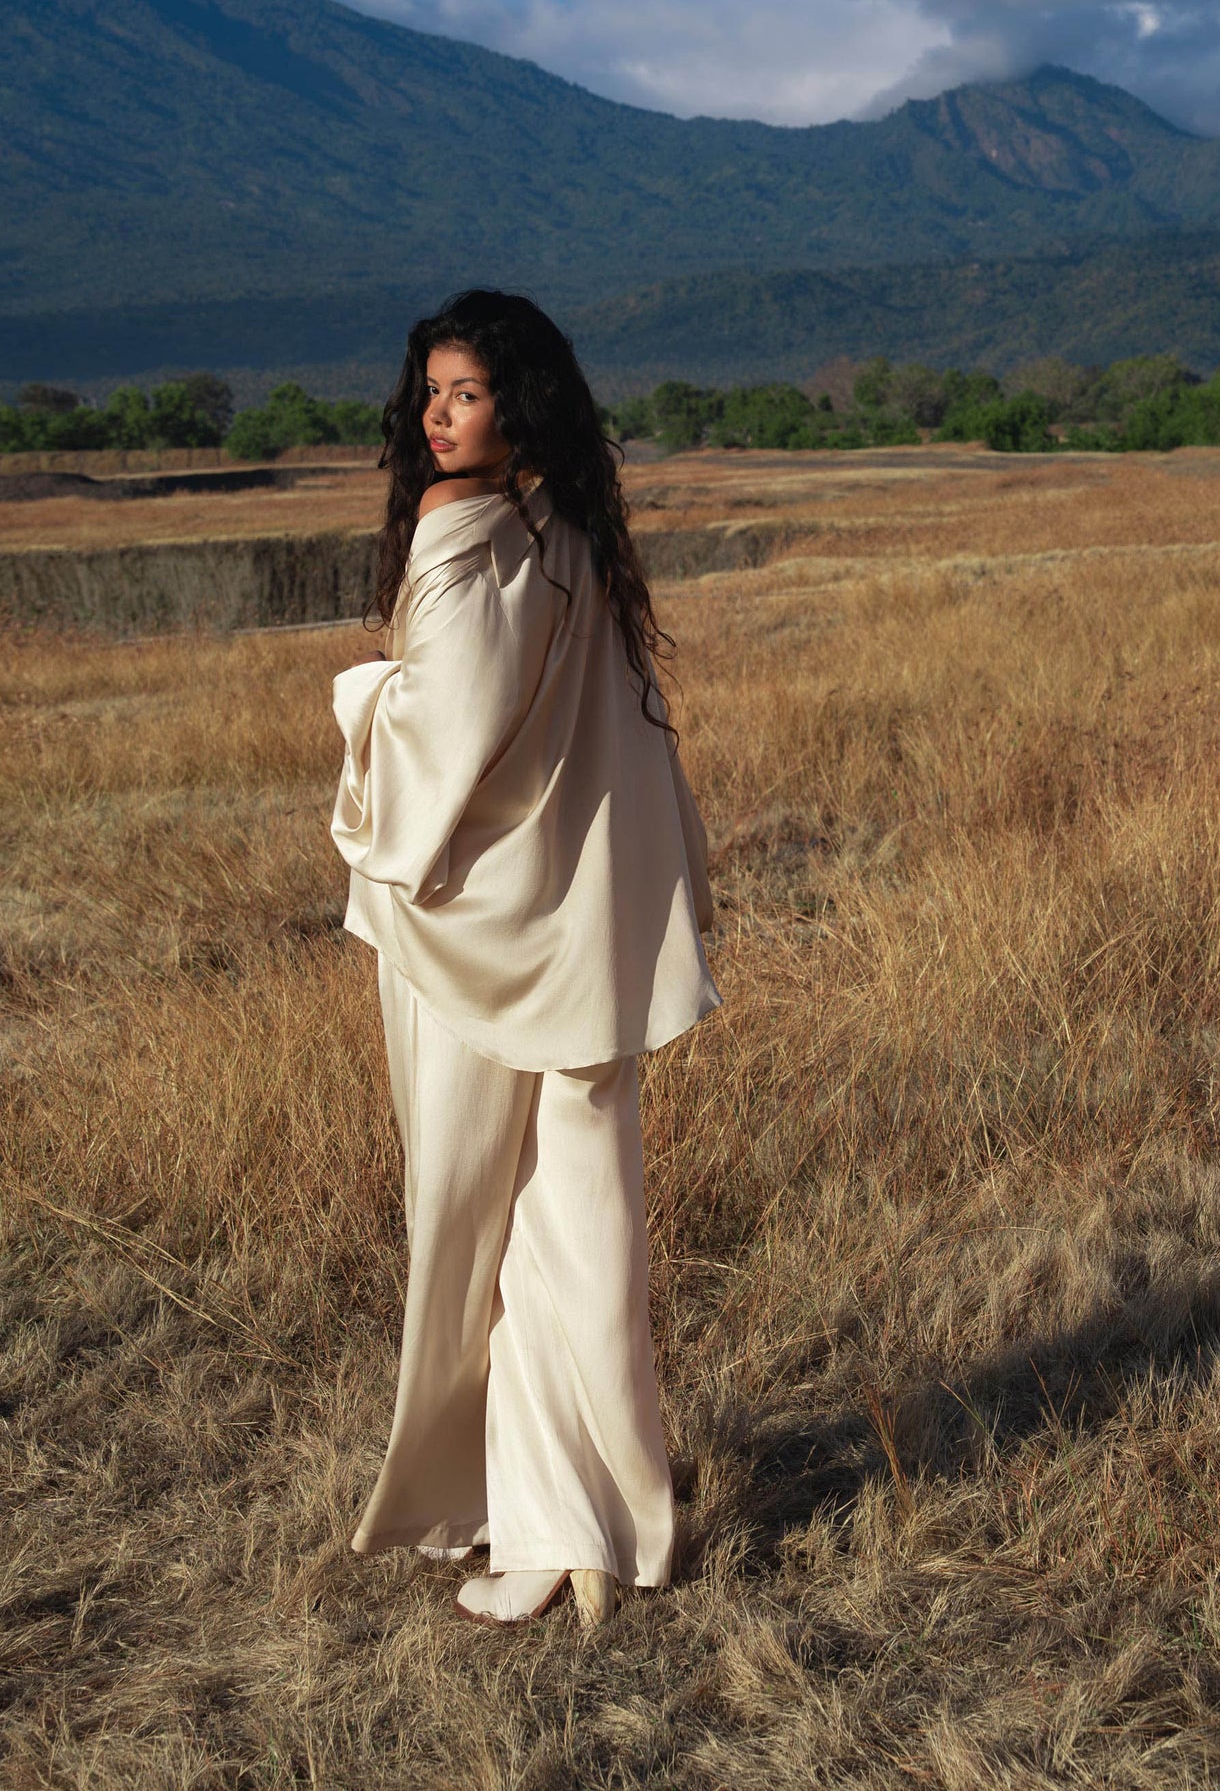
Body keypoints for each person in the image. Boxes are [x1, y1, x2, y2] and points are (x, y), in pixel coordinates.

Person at [329, 289, 719, 1628]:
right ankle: (592, 1525)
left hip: (472, 947)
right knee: (577, 1230)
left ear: (520, 405)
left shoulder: (463, 532)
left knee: (474, 1229)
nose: (440, 416)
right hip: (579, 939)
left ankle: (543, 1520)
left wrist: (359, 691)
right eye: (431, 391)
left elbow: (448, 729)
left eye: (468, 394)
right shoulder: (573, 537)